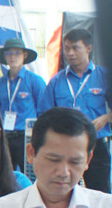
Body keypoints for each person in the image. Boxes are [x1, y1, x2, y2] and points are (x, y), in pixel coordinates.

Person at [38, 28, 109, 193]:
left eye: (75, 48)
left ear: (89, 48)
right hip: (64, 147)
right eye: (67, 48)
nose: (70, 53)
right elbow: (44, 114)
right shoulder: (56, 81)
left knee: (100, 194)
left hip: (96, 146)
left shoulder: (104, 77)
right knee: (65, 193)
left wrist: (106, 117)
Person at [0, 38, 46, 145]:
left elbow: (43, 111)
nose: (13, 56)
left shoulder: (35, 81)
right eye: (8, 53)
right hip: (5, 134)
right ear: (4, 56)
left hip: (26, 135)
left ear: (25, 55)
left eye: (17, 53)